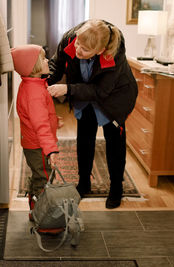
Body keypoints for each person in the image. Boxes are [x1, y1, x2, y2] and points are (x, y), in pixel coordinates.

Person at [47, 19, 138, 209]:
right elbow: (56, 65)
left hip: (114, 97)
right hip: (84, 93)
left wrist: (68, 89)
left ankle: (116, 188)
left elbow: (101, 91)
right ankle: (84, 183)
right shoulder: (71, 39)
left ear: (100, 51)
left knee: (114, 142)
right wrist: (42, 83)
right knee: (84, 138)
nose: (78, 50)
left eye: (84, 50)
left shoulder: (115, 52)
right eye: (78, 44)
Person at [11, 45, 63, 220]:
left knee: (40, 175)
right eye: (43, 58)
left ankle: (35, 208)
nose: (48, 60)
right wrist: (51, 149)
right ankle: (43, 216)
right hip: (39, 146)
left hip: (32, 142)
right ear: (33, 67)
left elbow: (37, 117)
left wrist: (55, 121)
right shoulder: (34, 93)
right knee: (44, 177)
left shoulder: (32, 85)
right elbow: (40, 124)